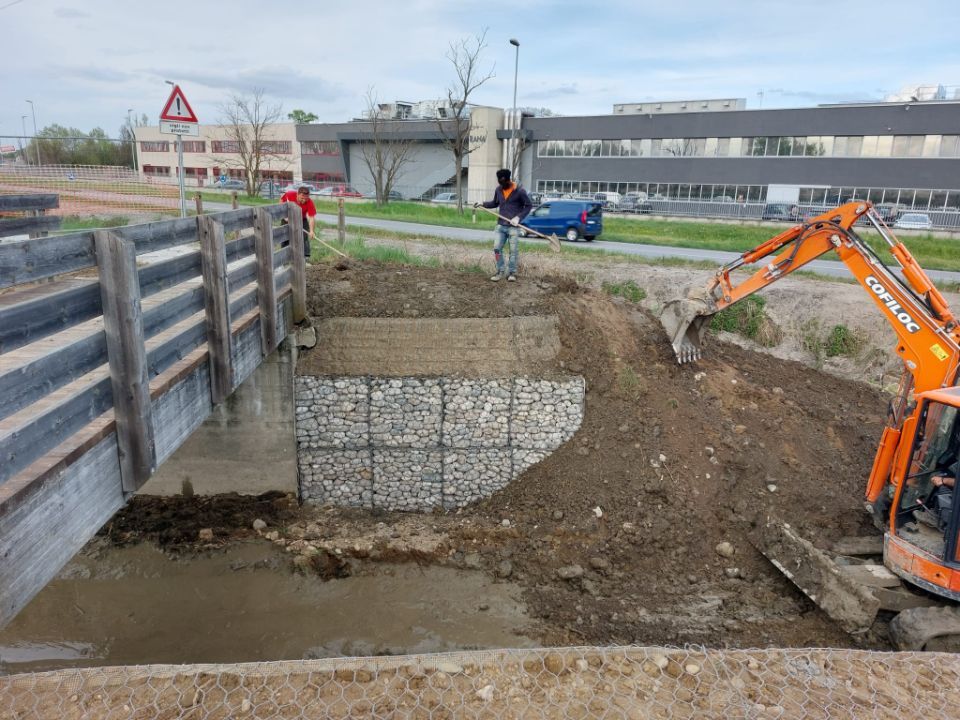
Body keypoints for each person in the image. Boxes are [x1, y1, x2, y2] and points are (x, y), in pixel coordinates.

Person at [474, 168, 533, 282]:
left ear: (508, 179)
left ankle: (512, 273)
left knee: (513, 251)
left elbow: (528, 205)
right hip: (501, 225)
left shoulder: (519, 191)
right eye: (500, 182)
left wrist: (518, 217)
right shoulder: (498, 190)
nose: (502, 185)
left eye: (504, 182)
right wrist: (483, 204)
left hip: (514, 227)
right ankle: (500, 271)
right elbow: (495, 203)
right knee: (497, 249)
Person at [280, 184, 317, 258]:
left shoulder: (309, 202)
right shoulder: (290, 195)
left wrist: (312, 231)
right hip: (287, 217)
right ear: (297, 194)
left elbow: (311, 217)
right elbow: (281, 201)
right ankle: (284, 256)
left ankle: (304, 257)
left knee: (304, 237)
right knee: (285, 235)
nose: (304, 201)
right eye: (302, 198)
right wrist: (285, 217)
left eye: (306, 199)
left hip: (301, 218)